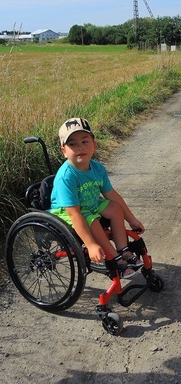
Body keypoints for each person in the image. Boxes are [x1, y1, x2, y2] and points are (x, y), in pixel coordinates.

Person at [49, 117, 145, 278]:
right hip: (67, 212)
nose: (79, 147)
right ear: (64, 151)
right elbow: (74, 213)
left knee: (115, 207)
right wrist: (91, 245)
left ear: (94, 145)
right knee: (91, 219)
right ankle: (115, 259)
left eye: (85, 141)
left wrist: (132, 220)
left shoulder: (98, 168)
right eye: (72, 144)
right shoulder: (66, 177)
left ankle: (123, 250)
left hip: (91, 204)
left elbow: (112, 195)